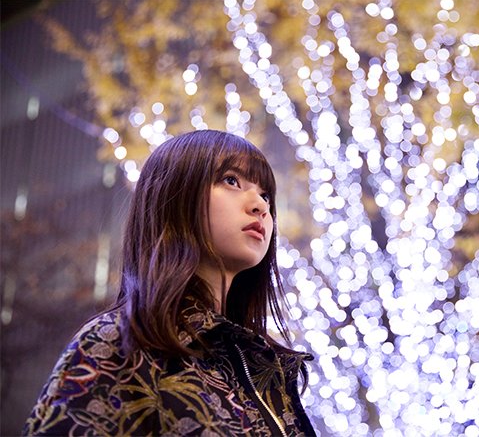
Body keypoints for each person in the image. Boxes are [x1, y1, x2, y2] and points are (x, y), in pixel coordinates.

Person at [23, 130, 316, 436]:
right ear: (173, 196)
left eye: (266, 195)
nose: (261, 206)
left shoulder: (268, 370)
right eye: (231, 180)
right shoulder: (119, 344)